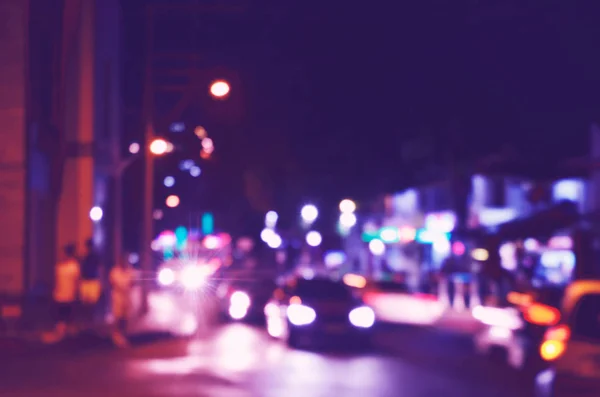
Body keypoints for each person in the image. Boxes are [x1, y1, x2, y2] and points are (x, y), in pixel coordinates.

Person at [53, 243, 81, 339]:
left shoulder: (74, 266)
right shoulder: (59, 267)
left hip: (70, 297)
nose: (61, 255)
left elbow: (77, 282)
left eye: (62, 253)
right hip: (59, 296)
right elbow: (56, 281)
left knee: (69, 319)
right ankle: (60, 336)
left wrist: (77, 294)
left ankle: (70, 339)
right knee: (60, 319)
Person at [109, 254, 135, 347]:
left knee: (125, 317)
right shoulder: (115, 271)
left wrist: (127, 287)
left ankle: (123, 335)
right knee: (118, 316)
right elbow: (112, 283)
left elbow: (133, 282)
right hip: (118, 297)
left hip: (127, 297)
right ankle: (116, 335)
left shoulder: (130, 271)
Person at [79, 238, 102, 326]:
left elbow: (100, 269)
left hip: (93, 281)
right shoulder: (84, 257)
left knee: (92, 303)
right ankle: (87, 322)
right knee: (86, 303)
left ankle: (91, 321)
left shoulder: (95, 256)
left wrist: (101, 282)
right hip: (86, 281)